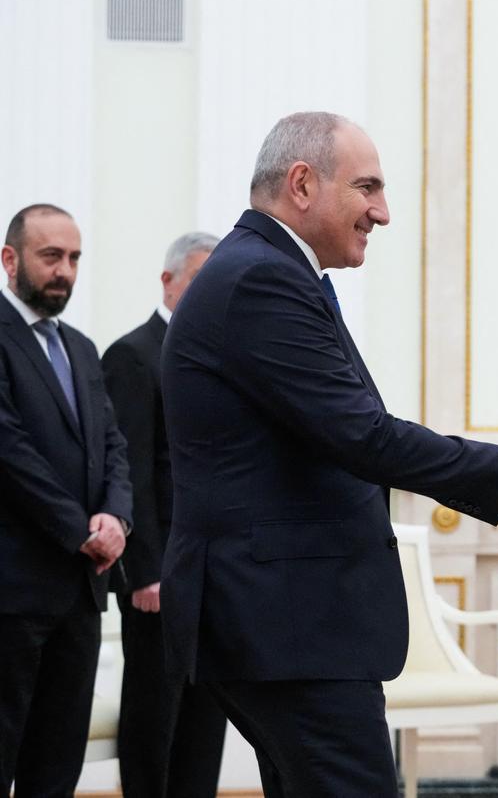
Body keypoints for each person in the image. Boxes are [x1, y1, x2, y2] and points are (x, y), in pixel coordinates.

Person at [161, 111, 498, 797]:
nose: (381, 212)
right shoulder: (262, 279)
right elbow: (364, 436)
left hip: (283, 621)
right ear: (301, 184)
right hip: (287, 623)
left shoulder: (269, 271)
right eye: (368, 187)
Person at [0, 203, 133, 795]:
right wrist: (81, 528)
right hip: (12, 592)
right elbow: (9, 452)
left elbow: (112, 445)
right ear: (10, 260)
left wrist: (118, 519)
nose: (65, 271)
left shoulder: (80, 347)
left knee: (56, 764)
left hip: (80, 591)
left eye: (74, 258)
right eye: (50, 256)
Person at [102, 231, 226, 798]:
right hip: (160, 575)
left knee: (206, 714)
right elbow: (130, 469)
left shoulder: (223, 357)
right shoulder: (132, 355)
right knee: (156, 712)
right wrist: (145, 570)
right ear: (168, 280)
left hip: (214, 571)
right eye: (199, 280)